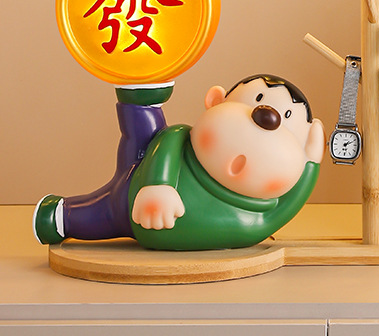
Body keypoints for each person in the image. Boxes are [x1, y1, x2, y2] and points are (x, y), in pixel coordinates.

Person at [34, 75, 325, 251]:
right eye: (257, 99)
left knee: (102, 210)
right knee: (143, 134)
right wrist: (157, 186)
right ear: (215, 101)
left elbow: (291, 202)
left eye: (287, 118)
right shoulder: (178, 138)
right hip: (134, 192)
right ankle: (143, 93)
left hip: (133, 212)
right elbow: (164, 146)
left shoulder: (260, 218)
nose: (268, 117)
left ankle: (61, 217)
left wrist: (312, 161)